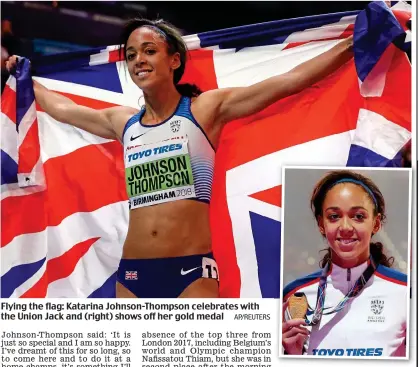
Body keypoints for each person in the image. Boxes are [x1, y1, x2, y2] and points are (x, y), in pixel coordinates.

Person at [6, 18, 354, 298]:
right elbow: (63, 109)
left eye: (149, 51)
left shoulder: (205, 110)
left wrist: (356, 42)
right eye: (130, 55)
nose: (138, 60)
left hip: (191, 272)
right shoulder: (122, 121)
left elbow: (291, 81)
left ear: (174, 60)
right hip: (132, 274)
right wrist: (17, 74)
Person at [282, 170, 407, 357]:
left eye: (358, 216)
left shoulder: (408, 292)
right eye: (334, 216)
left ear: (376, 223)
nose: (346, 227)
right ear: (321, 224)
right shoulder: (294, 295)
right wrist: (290, 355)